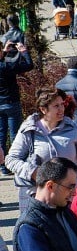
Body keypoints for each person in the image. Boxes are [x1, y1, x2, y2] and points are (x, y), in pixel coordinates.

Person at [5, 87, 77, 211]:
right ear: (43, 109)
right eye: (56, 106)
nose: (62, 109)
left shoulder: (71, 127)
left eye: (62, 104)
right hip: (39, 197)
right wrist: (34, 172)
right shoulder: (29, 129)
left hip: (70, 197)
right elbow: (11, 159)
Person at [0, 39, 33, 172]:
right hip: (11, 102)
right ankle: (16, 163)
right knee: (15, 134)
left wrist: (5, 52)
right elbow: (29, 65)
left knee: (1, 135)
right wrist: (24, 52)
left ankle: (2, 166)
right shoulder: (6, 66)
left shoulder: (4, 64)